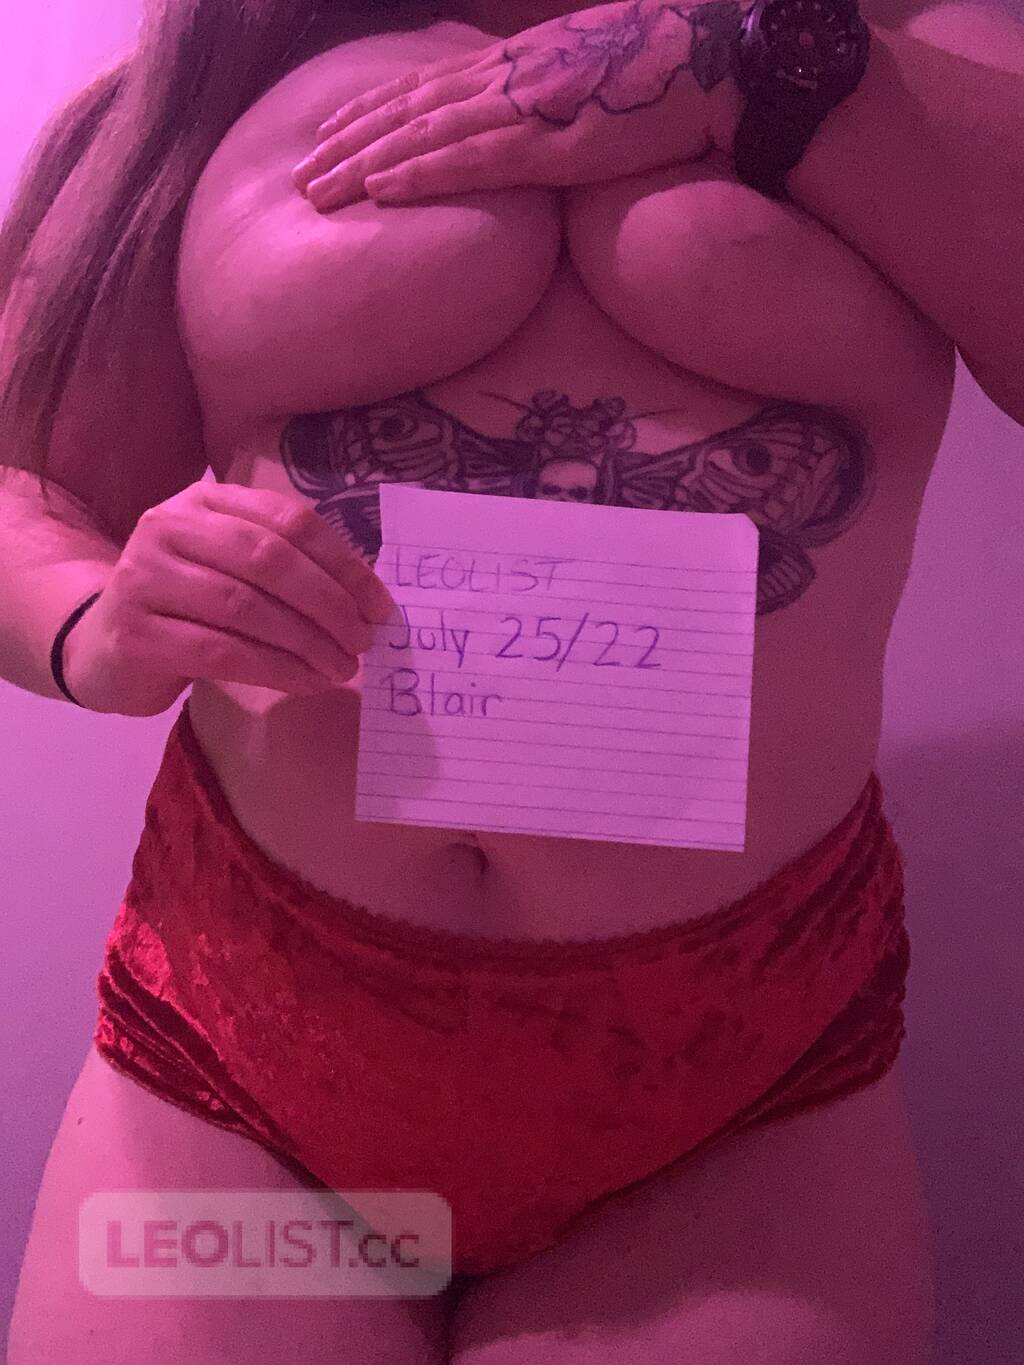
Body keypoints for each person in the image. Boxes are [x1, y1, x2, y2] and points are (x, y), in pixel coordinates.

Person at [9, 0, 1003, 1357]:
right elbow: (27, 486)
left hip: (732, 1094)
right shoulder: (224, 64)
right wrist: (93, 624)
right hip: (244, 1052)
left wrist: (771, 70)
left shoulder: (905, 34)